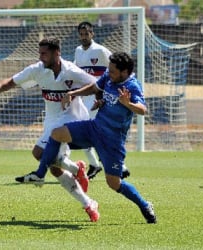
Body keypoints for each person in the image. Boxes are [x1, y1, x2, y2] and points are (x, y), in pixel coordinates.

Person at [22, 52, 157, 223]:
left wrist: (128, 104)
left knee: (114, 183)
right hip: (93, 128)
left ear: (124, 72)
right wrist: (73, 93)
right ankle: (40, 174)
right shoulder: (109, 76)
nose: (109, 73)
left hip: (111, 142)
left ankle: (144, 205)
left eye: (113, 71)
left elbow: (143, 110)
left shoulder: (132, 86)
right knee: (56, 133)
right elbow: (94, 88)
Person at [0, 37, 99, 222]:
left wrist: (76, 94)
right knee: (53, 167)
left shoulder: (71, 71)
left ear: (57, 53)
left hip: (72, 118)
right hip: (51, 120)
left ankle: (76, 176)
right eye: (40, 53)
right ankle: (87, 200)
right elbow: (12, 82)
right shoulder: (37, 70)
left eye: (45, 53)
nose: (41, 57)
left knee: (39, 152)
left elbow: (96, 85)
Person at [74, 21, 131, 180]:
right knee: (83, 131)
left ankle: (119, 166)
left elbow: (116, 67)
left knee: (97, 132)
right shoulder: (78, 51)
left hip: (100, 97)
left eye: (87, 34)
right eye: (81, 34)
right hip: (85, 97)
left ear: (93, 34)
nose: (84, 37)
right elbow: (77, 71)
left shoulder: (100, 50)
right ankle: (95, 164)